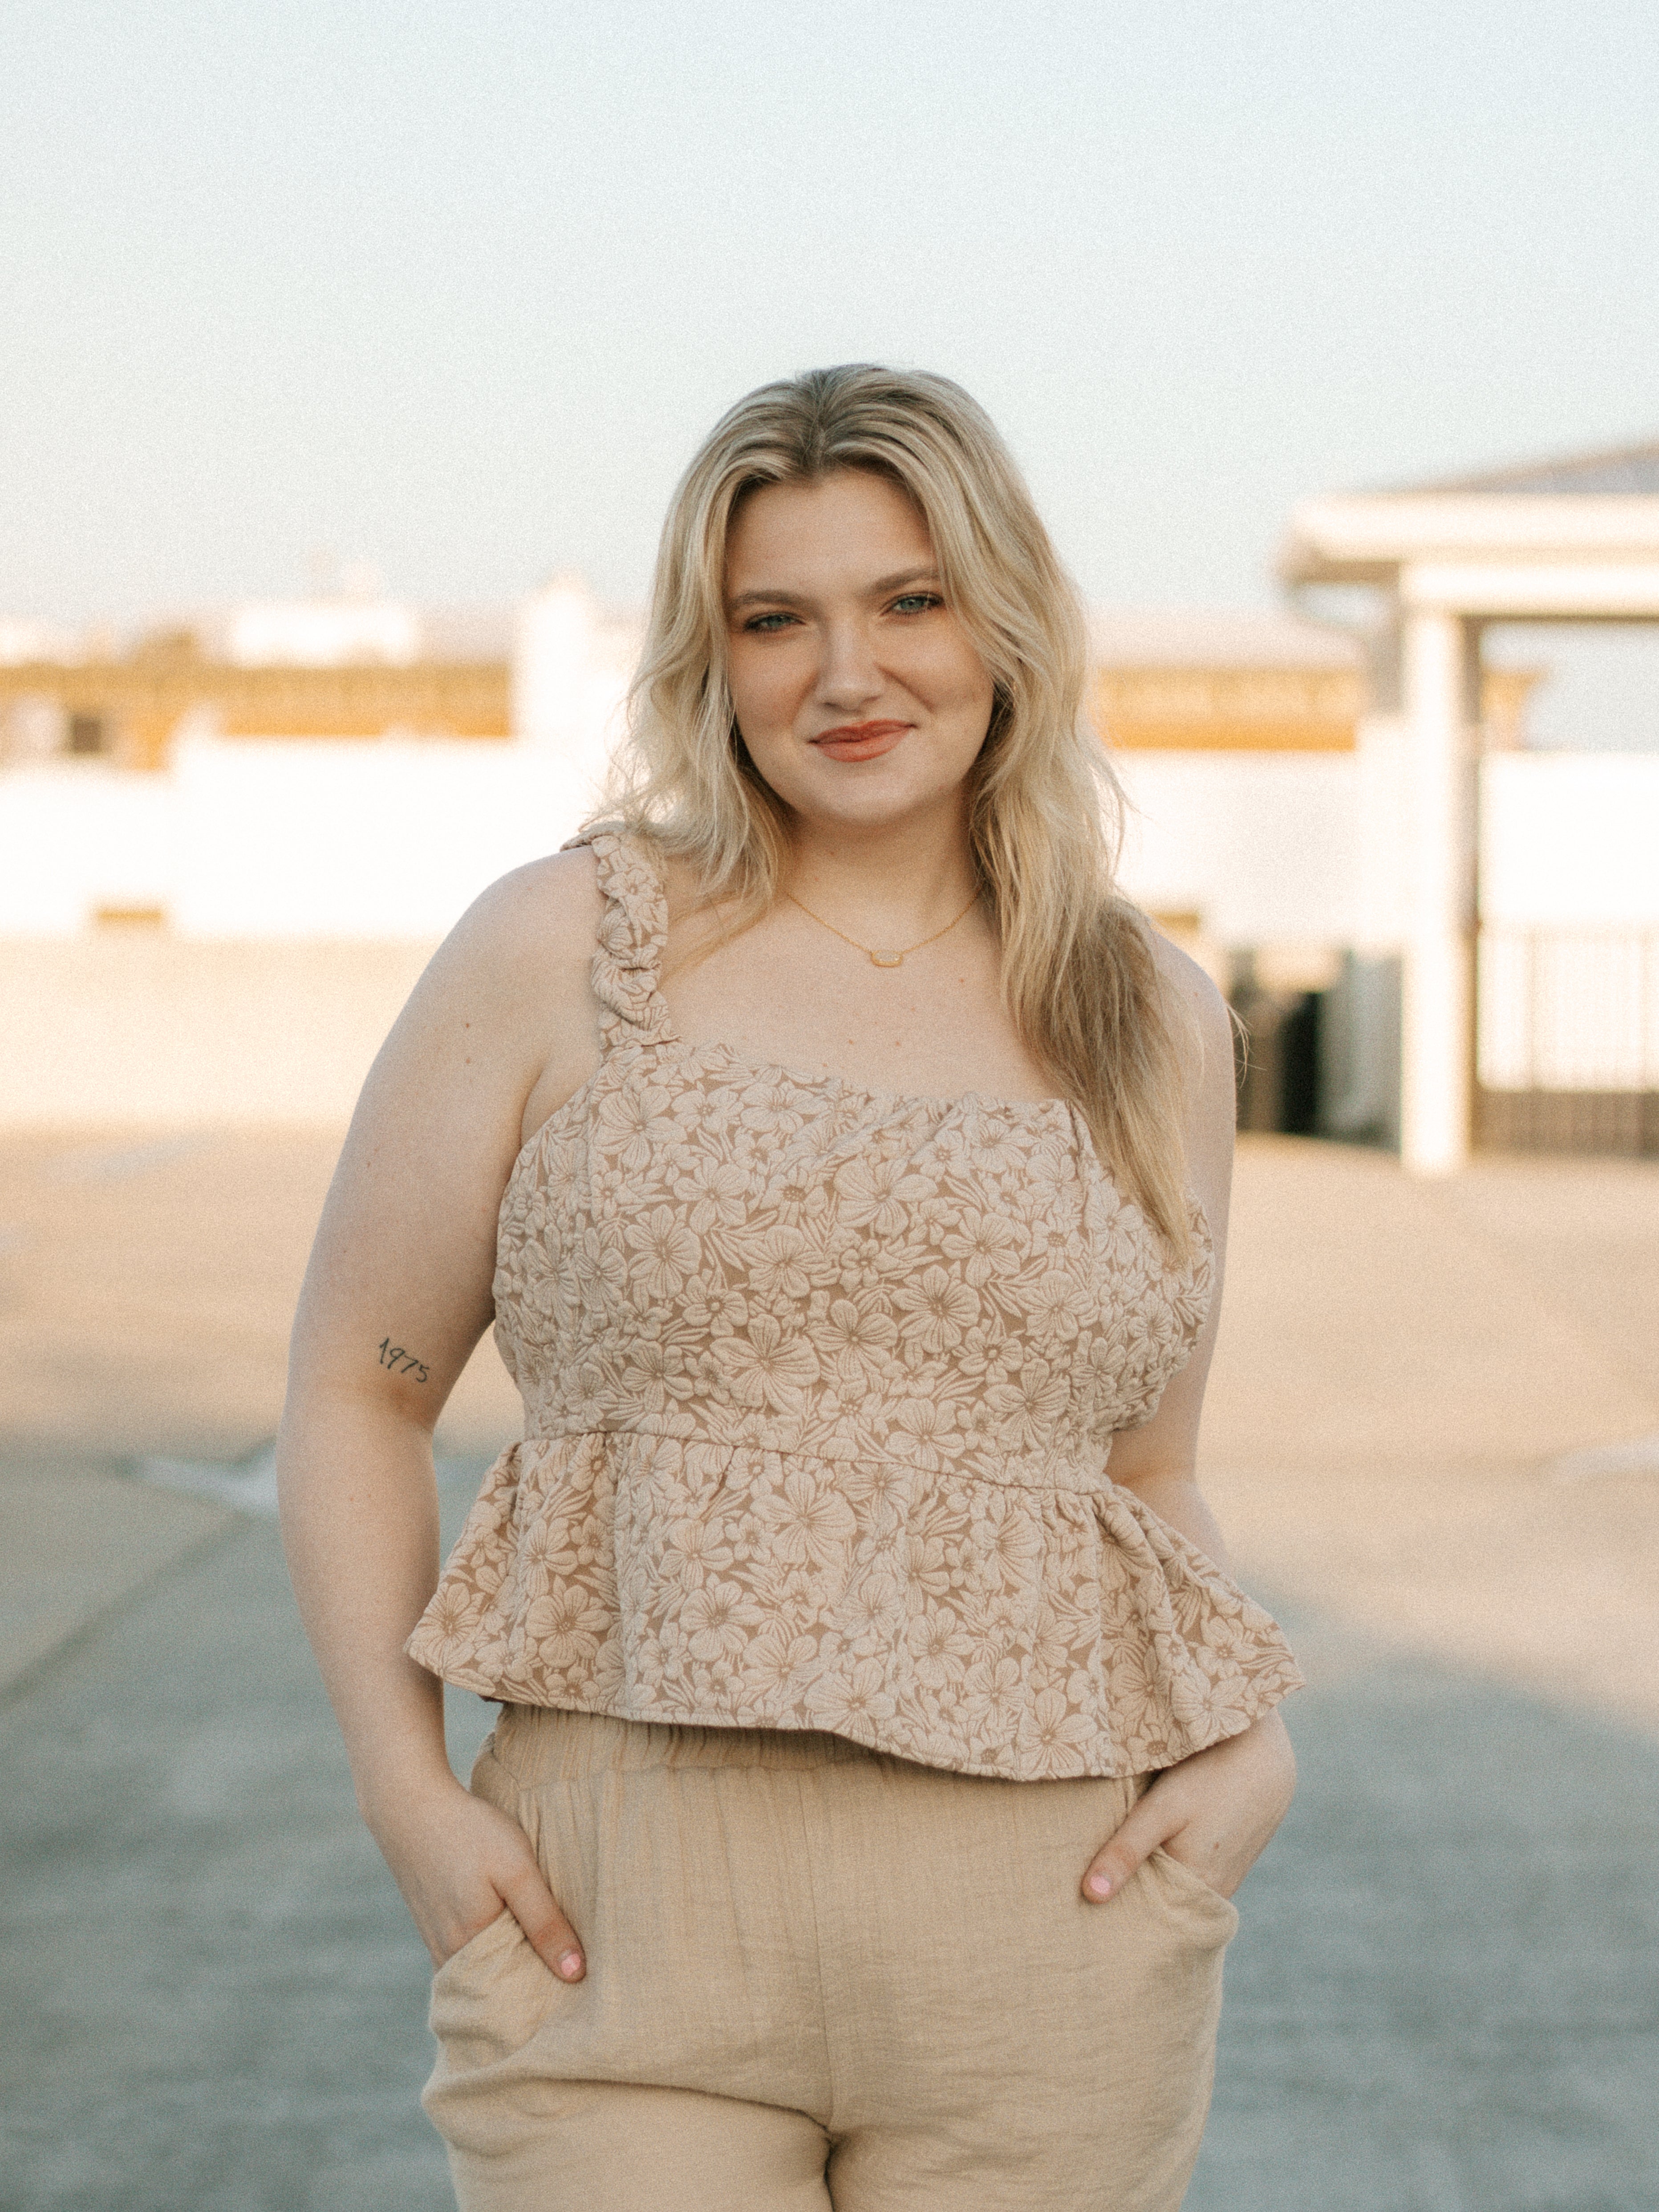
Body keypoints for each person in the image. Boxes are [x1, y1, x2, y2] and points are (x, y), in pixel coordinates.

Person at [278, 364, 1302, 2212]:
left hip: (1052, 1953)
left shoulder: (1147, 1016)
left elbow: (1142, 1475)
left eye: (907, 600)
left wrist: (1252, 1747)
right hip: (615, 1925)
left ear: (1004, 621)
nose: (848, 673)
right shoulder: (558, 944)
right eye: (778, 619)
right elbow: (361, 1387)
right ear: (711, 655)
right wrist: (403, 1791)